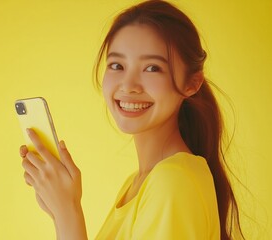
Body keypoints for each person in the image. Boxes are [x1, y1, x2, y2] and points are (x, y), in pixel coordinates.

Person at [19, 0, 245, 239]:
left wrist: (68, 212)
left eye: (152, 68)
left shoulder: (173, 182)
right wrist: (60, 210)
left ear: (192, 83)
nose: (129, 86)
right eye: (117, 65)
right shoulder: (138, 184)